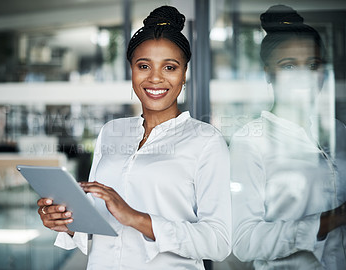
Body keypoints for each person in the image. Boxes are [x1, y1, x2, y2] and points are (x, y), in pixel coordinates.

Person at [37, 5, 231, 269]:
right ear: (131, 71)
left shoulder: (206, 141)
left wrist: (136, 218)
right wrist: (66, 223)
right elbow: (97, 226)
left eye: (170, 67)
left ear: (184, 74)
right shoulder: (111, 132)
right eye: (143, 65)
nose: (155, 78)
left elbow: (218, 241)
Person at [230, 4, 346, 269]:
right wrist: (331, 220)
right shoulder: (251, 141)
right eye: (289, 66)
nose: (304, 77)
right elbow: (244, 241)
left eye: (313, 65)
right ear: (268, 73)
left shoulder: (337, 131)